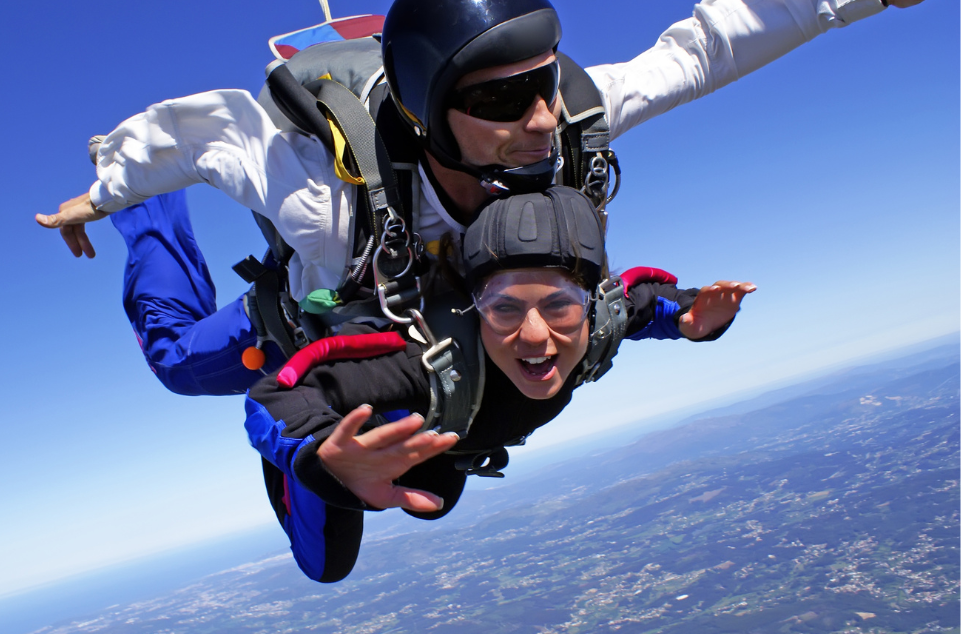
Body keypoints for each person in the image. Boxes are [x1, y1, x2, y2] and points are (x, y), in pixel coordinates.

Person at [34, 0, 959, 398]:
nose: (543, 119)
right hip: (338, 307)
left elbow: (705, 51)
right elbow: (212, 139)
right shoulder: (326, 200)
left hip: (456, 308)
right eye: (507, 102)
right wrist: (113, 187)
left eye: (545, 84)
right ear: (433, 115)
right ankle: (145, 230)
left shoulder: (563, 128)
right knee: (175, 360)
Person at [243, 185, 756, 582]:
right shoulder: (425, 362)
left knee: (435, 501)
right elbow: (279, 393)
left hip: (453, 440)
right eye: (504, 308)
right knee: (326, 565)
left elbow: (654, 300)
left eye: (560, 305)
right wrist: (315, 455)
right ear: (474, 309)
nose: (536, 335)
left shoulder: (603, 320)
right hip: (384, 419)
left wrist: (694, 320)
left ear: (590, 305)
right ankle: (158, 205)